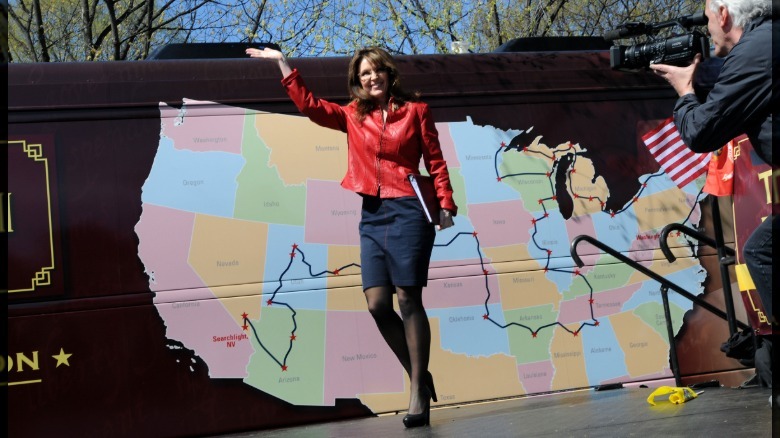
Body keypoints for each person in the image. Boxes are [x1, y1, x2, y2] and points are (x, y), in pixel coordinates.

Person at [246, 45, 458, 427]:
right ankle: (421, 378)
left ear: (389, 74)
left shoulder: (415, 112)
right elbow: (310, 106)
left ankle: (416, 394)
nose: (371, 77)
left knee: (409, 298)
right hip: (373, 214)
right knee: (378, 304)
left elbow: (435, 160)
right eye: (364, 74)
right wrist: (282, 64)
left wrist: (445, 204)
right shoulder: (351, 116)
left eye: (376, 71)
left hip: (409, 208)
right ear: (357, 82)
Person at [650, 0, 775, 386]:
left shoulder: (756, 52)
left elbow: (701, 132)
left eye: (707, 19)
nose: (707, 28)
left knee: (763, 251)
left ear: (723, 14)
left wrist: (685, 91)